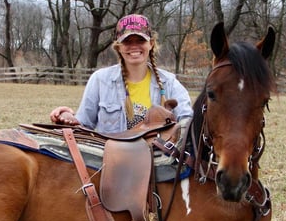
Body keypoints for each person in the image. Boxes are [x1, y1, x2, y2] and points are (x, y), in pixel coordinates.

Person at [49, 14, 193, 135]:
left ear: (151, 43)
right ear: (118, 46)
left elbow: (188, 123)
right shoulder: (100, 80)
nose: (134, 46)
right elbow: (83, 126)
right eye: (127, 41)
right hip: (110, 162)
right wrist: (67, 118)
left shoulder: (170, 83)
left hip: (159, 162)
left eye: (140, 40)